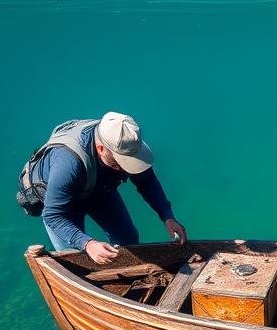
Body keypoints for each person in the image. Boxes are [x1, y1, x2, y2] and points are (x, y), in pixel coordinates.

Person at [17, 112, 186, 264]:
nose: (127, 169)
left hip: (98, 188)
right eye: (121, 163)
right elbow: (53, 215)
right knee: (75, 259)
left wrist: (167, 216)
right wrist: (87, 243)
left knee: (128, 239)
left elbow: (147, 181)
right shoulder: (67, 165)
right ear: (101, 148)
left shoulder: (127, 141)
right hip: (61, 206)